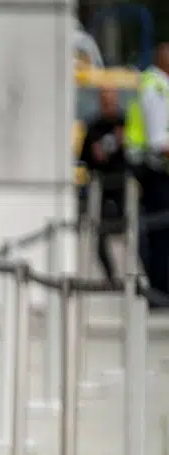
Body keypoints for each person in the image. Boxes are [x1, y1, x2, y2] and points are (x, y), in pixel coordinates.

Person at [124, 42, 169, 300]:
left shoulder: (154, 83)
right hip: (154, 171)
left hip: (154, 170)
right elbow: (158, 141)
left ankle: (159, 288)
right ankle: (159, 291)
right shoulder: (157, 87)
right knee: (160, 235)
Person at [79, 86, 127, 281]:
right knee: (98, 232)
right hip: (100, 186)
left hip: (122, 184)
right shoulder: (94, 126)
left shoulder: (126, 123)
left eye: (111, 99)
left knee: (134, 228)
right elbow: (85, 157)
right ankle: (111, 275)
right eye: (105, 100)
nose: (108, 104)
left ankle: (136, 274)